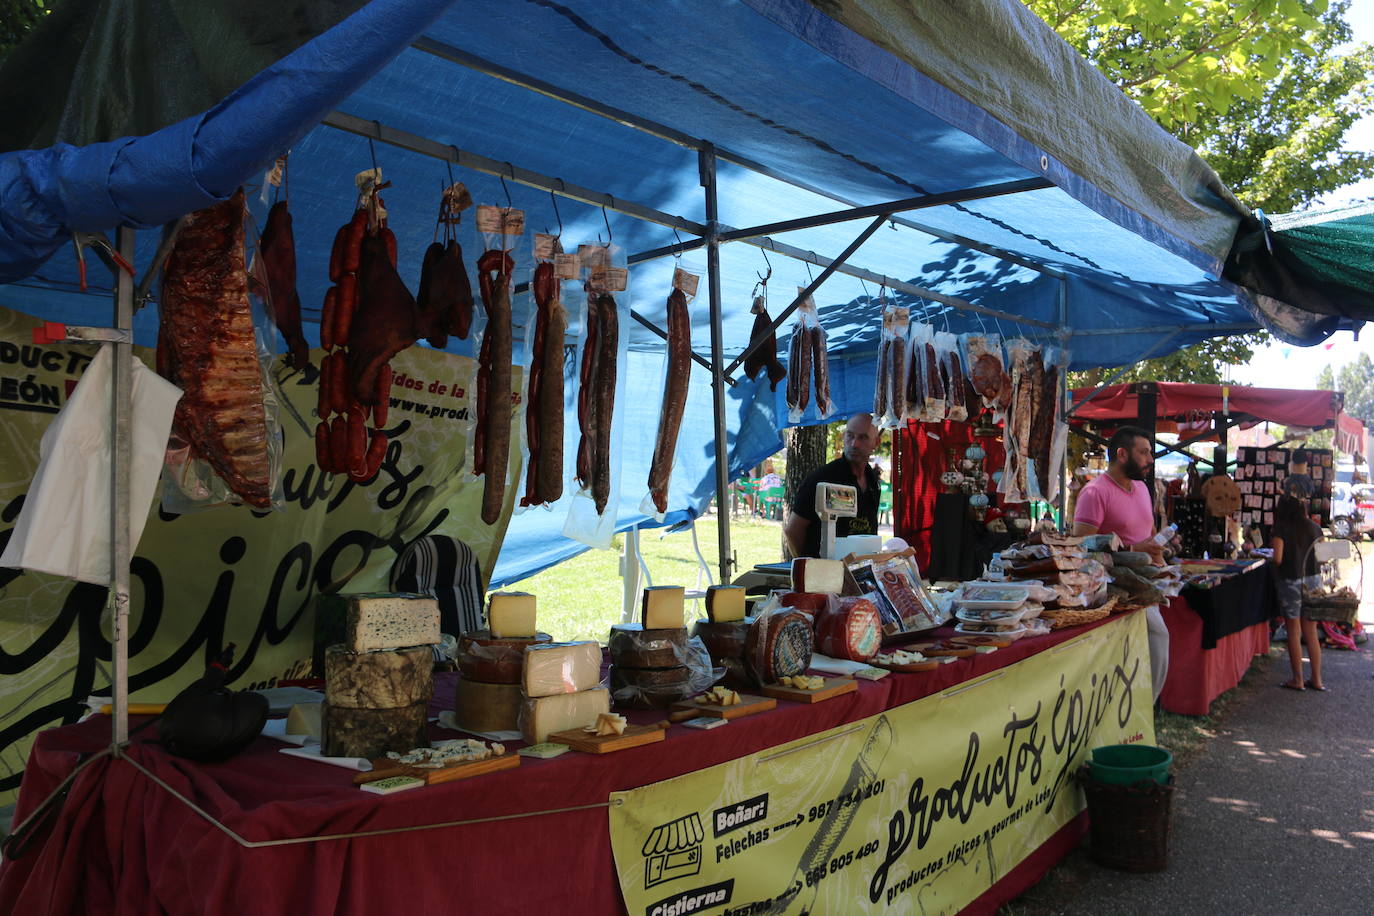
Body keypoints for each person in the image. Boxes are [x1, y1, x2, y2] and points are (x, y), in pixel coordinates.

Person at [1072, 425, 1170, 701]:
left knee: (1150, 646)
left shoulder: (1141, 488)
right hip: (1112, 590)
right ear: (1123, 454)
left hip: (1146, 582)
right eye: (1144, 452)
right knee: (1157, 639)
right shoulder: (1094, 493)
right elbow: (1080, 547)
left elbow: (1147, 535)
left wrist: (1159, 557)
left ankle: (1143, 707)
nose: (1151, 459)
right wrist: (1132, 549)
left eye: (1150, 452)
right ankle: (1146, 707)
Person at [784, 413, 881, 558]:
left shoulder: (872, 481)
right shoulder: (823, 478)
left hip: (858, 572)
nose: (854, 444)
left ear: (876, 442)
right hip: (824, 573)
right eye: (850, 436)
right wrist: (808, 566)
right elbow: (792, 530)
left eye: (863, 437)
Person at [1270, 487, 1324, 691]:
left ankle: (1298, 679)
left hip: (1290, 580)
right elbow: (1323, 556)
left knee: (1293, 630)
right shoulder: (1315, 527)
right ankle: (1317, 679)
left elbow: (1277, 558)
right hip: (1313, 582)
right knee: (1311, 631)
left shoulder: (1281, 528)